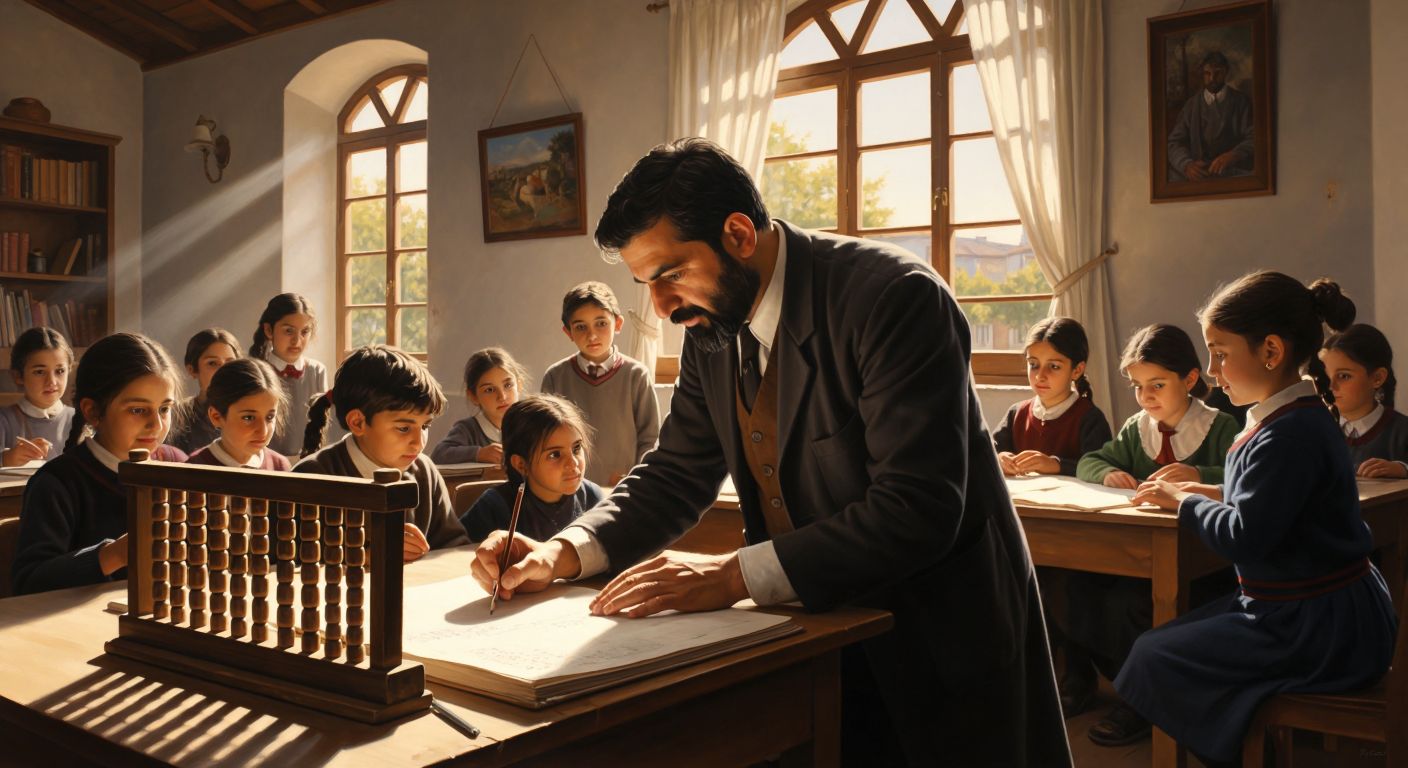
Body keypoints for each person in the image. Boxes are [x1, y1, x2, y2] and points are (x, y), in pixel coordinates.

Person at [470, 138, 1071, 766]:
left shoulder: (894, 298)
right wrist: (561, 551)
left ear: (738, 234)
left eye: (670, 275)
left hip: (940, 637)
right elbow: (676, 471)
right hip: (817, 634)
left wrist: (732, 574)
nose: (663, 308)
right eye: (646, 284)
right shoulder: (712, 320)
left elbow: (917, 509)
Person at [1124, 272, 1396, 767]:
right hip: (1323, 608)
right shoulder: (1296, 416)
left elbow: (1245, 536)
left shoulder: (1286, 433)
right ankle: (1248, 741)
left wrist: (1185, 503)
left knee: (1154, 654)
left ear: (1271, 350)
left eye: (1221, 353)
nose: (1211, 370)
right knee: (1168, 641)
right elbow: (1281, 499)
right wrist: (1209, 490)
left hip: (1316, 626)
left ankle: (1238, 750)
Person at [1068, 323, 1238, 745]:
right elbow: (1090, 460)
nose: (1146, 396)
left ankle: (1143, 702)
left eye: (1157, 384)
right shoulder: (1136, 428)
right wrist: (1109, 473)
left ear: (1191, 380)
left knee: (1131, 604)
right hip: (1138, 553)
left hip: (1204, 563)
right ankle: (1120, 686)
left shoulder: (1219, 427)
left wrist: (1200, 473)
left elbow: (1241, 478)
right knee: (1074, 586)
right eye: (1138, 386)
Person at [11, 333, 185, 595]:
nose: (157, 425)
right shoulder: (57, 483)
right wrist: (113, 554)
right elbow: (28, 582)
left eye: (164, 408)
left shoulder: (179, 466)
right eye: (138, 410)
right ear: (92, 411)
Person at [296, 344, 468, 562]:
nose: (419, 442)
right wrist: (369, 555)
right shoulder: (312, 477)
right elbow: (288, 563)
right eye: (404, 428)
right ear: (357, 422)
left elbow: (453, 545)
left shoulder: (424, 471)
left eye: (425, 426)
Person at [541, 281, 660, 486]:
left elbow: (650, 440)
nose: (592, 335)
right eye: (580, 327)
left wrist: (636, 479)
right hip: (570, 490)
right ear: (568, 332)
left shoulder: (637, 375)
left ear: (618, 323)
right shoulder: (555, 377)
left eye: (601, 323)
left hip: (623, 490)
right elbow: (546, 439)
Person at [460, 395, 605, 543]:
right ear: (521, 465)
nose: (573, 463)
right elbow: (457, 553)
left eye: (576, 448)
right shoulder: (495, 507)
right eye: (555, 455)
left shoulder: (592, 499)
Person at [992, 317, 1111, 477]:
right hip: (1021, 501)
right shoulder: (1016, 413)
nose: (1040, 376)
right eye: (1033, 364)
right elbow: (986, 451)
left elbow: (1101, 470)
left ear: (1077, 370)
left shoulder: (1090, 419)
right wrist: (999, 458)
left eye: (1054, 366)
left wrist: (1056, 465)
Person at [1320, 323, 1408, 477]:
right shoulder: (1318, 433)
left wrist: (1403, 470)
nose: (1330, 386)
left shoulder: (1402, 432)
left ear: (1377, 378)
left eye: (1344, 376)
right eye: (1325, 376)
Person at [250, 293, 327, 457]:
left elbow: (324, 423)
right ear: (269, 330)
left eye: (305, 332)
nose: (297, 341)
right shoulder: (255, 371)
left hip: (308, 461)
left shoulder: (317, 371)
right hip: (265, 461)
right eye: (288, 331)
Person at [185, 358, 292, 471]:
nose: (263, 431)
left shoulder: (280, 467)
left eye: (269, 417)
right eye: (249, 418)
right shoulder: (193, 470)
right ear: (216, 417)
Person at [1167, 50, 1255, 182]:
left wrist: (1234, 155)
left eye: (1217, 73)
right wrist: (1186, 164)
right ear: (1203, 75)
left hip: (1232, 172)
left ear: (1226, 72)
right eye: (1207, 73)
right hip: (1199, 173)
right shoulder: (1191, 105)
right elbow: (1174, 142)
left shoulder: (1241, 102)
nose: (1212, 78)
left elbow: (1255, 138)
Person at [429, 347, 526, 465]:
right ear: (473, 396)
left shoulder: (532, 426)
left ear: (519, 385)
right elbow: (438, 454)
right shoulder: (468, 429)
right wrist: (479, 453)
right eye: (489, 390)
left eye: (508, 385)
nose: (502, 396)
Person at [0, 327, 75, 465]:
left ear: (69, 370)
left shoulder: (80, 420)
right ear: (18, 376)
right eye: (39, 372)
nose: (51, 381)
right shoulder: (3, 420)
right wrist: (6, 459)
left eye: (59, 371)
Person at [167, 327, 240, 454]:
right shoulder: (177, 417)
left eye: (230, 363)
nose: (223, 371)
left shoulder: (251, 414)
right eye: (212, 363)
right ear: (192, 370)